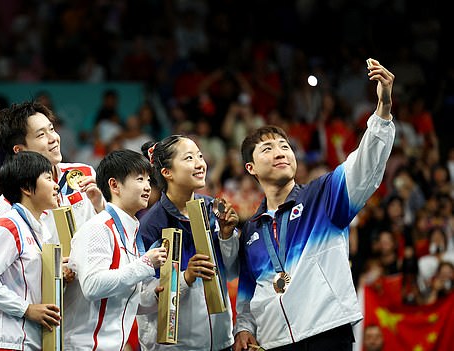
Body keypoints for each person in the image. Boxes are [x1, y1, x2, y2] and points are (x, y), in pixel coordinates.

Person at [230, 58, 395, 351]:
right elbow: (247, 292)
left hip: (327, 332)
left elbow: (364, 165)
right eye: (268, 149)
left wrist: (382, 113)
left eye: (285, 147)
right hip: (273, 341)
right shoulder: (252, 231)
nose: (281, 152)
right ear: (251, 168)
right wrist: (243, 328)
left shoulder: (324, 196)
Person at [137, 135, 240, 350]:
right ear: (167, 172)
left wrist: (227, 236)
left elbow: (232, 272)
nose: (200, 163)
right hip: (175, 346)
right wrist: (185, 277)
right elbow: (140, 298)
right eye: (189, 158)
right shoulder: (149, 226)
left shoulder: (214, 209)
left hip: (221, 341)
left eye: (200, 156)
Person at [63, 149, 167, 350]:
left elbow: (122, 299)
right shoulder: (99, 228)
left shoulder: (130, 231)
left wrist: (154, 297)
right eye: (139, 179)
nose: (147, 187)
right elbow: (93, 286)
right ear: (114, 185)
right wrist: (145, 264)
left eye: (148, 180)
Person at [0, 151, 64, 350]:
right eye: (48, 178)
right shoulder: (7, 226)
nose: (56, 185)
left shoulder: (40, 231)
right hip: (4, 342)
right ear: (26, 188)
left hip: (29, 340)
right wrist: (26, 309)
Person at [0, 100, 105, 242]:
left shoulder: (84, 174)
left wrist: (101, 207)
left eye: (51, 129)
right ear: (19, 150)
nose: (53, 139)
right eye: (41, 135)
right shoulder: (7, 206)